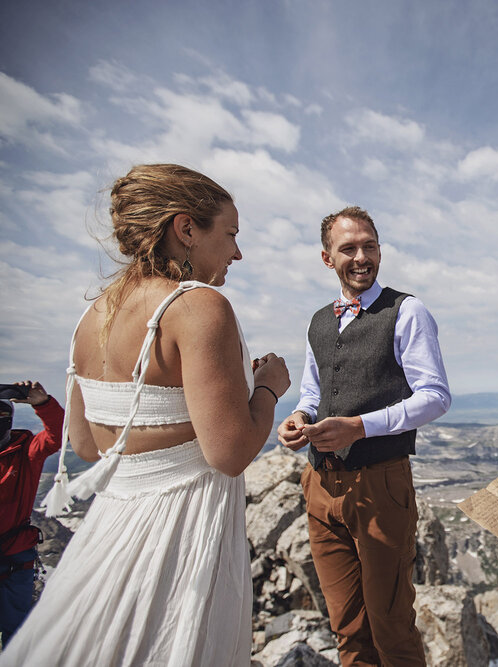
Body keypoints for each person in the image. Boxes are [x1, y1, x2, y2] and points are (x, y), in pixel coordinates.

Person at [0, 164, 290, 666]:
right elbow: (231, 453)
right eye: (231, 234)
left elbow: (89, 447)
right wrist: (266, 389)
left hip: (112, 527)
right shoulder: (200, 306)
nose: (238, 253)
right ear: (186, 229)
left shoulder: (91, 318)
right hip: (184, 529)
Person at [278, 206, 450, 666]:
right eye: (348, 248)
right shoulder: (318, 320)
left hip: (380, 486)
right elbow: (312, 389)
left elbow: (435, 396)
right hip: (319, 487)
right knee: (348, 628)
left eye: (369, 246)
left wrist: (359, 426)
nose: (361, 257)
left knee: (391, 626)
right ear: (326, 257)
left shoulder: (406, 311)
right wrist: (298, 415)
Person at [0, 381, 64, 646]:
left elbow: (56, 436)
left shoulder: (25, 450)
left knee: (16, 634)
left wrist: (42, 403)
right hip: (17, 557)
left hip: (14, 558)